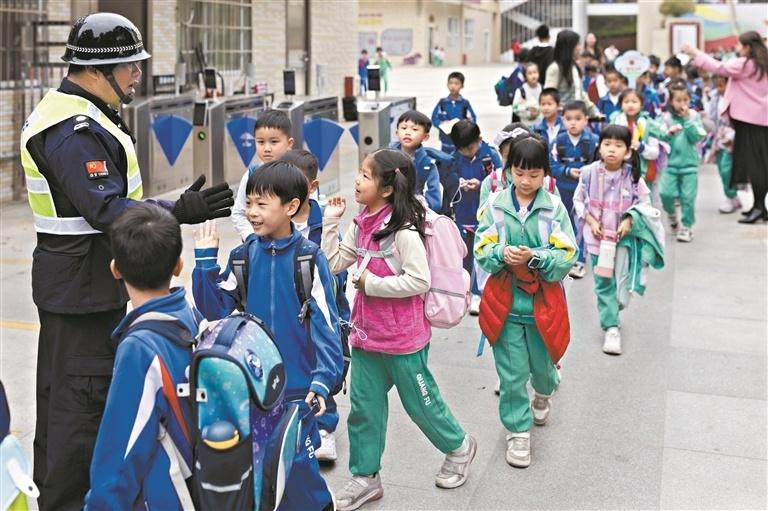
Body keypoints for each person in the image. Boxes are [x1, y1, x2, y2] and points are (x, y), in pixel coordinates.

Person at [19, 13, 233, 509]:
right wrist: (177, 211)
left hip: (83, 285)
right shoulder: (73, 132)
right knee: (78, 419)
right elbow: (107, 209)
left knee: (70, 410)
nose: (138, 74)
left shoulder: (84, 112)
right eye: (129, 66)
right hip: (83, 293)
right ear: (97, 70)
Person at [322, 149, 477, 510]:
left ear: (387, 189)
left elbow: (419, 281)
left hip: (404, 339)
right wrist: (330, 223)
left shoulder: (404, 230)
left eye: (365, 175)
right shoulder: (361, 223)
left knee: (421, 404)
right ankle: (365, 477)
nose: (357, 180)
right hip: (366, 335)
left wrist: (371, 284)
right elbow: (333, 263)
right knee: (363, 408)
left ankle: (459, 447)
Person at [192, 161, 343, 510]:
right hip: (256, 385)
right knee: (262, 465)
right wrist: (205, 263)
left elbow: (327, 325)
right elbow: (214, 309)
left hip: (298, 389)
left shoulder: (309, 259)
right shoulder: (243, 257)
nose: (252, 212)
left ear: (291, 207)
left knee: (299, 467)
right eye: (249, 203)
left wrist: (322, 380)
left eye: (262, 203)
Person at [85, 204, 201, 510]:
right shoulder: (190, 316)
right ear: (178, 266)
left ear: (115, 269)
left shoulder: (138, 349)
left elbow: (119, 454)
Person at [474, 135, 577, 468]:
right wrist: (501, 253)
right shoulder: (495, 205)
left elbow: (567, 254)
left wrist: (536, 257)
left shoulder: (553, 208)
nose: (526, 181)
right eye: (519, 173)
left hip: (542, 304)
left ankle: (545, 391)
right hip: (505, 304)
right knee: (511, 374)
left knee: (543, 370)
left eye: (534, 174)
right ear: (509, 171)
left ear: (545, 173)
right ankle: (518, 431)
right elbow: (481, 248)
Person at [281, 149, 351, 462]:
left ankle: (324, 426)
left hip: (321, 309)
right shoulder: (277, 218)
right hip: (288, 309)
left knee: (321, 363)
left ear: (312, 187)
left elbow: (337, 266)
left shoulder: (323, 220)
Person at [573, 125, 659, 355]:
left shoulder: (633, 176)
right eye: (607, 144)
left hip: (623, 240)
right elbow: (578, 200)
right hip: (597, 241)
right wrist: (591, 221)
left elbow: (645, 203)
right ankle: (611, 327)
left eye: (618, 145)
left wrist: (629, 219)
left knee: (621, 287)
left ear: (628, 150)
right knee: (603, 283)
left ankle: (614, 308)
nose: (612, 149)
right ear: (599, 147)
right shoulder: (588, 172)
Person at [683, 32, 768, 223]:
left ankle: (759, 208)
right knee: (761, 165)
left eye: (739, 45)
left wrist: (695, 52)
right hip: (763, 120)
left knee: (755, 167)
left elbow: (719, 67)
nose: (737, 48)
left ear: (747, 47)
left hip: (749, 121)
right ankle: (760, 206)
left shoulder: (745, 64)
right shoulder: (763, 64)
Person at [450, 120, 503, 314]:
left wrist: (481, 184)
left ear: (479, 140)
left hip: (483, 214)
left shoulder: (490, 156)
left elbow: (499, 182)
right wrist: (458, 182)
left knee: (479, 254)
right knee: (464, 253)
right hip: (462, 212)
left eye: (470, 148)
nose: (466, 153)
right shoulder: (453, 158)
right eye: (462, 150)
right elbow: (448, 180)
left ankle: (477, 293)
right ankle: (464, 290)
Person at [550, 100, 599, 279]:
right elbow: (551, 165)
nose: (573, 123)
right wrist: (567, 171)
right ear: (563, 120)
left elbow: (598, 164)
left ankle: (580, 260)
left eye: (578, 119)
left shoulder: (593, 141)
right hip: (564, 187)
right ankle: (565, 254)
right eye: (569, 119)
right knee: (564, 221)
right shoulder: (558, 141)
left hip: (585, 189)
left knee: (582, 222)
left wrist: (586, 172)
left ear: (586, 120)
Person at [231, 110, 295, 240]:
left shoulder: (297, 175)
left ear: (289, 143)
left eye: (274, 142)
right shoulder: (251, 175)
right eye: (260, 142)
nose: (266, 149)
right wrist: (251, 237)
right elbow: (238, 213)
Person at [657, 83, 706, 242]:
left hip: (689, 165)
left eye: (685, 100)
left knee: (688, 198)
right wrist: (669, 133)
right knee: (665, 194)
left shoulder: (694, 116)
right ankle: (671, 214)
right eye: (678, 100)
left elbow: (697, 137)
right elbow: (660, 136)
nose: (682, 104)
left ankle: (686, 227)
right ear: (671, 101)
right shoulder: (666, 118)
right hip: (670, 165)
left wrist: (687, 121)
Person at [609, 88, 661, 206]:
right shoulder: (615, 122)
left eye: (634, 101)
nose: (630, 105)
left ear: (641, 104)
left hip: (643, 171)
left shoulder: (649, 124)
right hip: (619, 171)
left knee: (644, 206)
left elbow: (654, 152)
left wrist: (640, 147)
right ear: (621, 104)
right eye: (626, 102)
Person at [389, 110, 442, 211]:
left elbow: (435, 202)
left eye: (414, 129)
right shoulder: (386, 157)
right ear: (396, 132)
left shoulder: (428, 165)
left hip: (415, 214)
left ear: (425, 137)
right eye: (404, 128)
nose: (408, 132)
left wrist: (416, 204)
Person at [704, 75, 741, 214]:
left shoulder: (737, 98)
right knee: (721, 167)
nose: (719, 89)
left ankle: (731, 196)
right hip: (718, 138)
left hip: (733, 138)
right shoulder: (715, 99)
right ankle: (733, 197)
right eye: (717, 85)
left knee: (727, 168)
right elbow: (713, 120)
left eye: (722, 85)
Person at [544, 29, 600, 118]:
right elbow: (548, 96)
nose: (580, 48)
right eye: (577, 44)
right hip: (561, 118)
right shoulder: (555, 68)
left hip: (576, 116)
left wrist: (594, 113)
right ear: (569, 47)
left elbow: (581, 93)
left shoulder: (574, 67)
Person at [431, 71, 477, 153]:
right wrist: (441, 124)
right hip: (445, 140)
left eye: (456, 83)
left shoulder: (464, 103)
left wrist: (464, 126)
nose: (453, 86)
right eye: (450, 83)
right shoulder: (442, 103)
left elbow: (472, 119)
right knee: (445, 158)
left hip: (461, 141)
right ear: (447, 84)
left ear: (462, 86)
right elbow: (434, 118)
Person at [511, 62, 543, 127]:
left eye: (535, 72)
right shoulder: (521, 90)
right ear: (525, 76)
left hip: (540, 125)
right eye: (530, 73)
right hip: (525, 125)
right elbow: (515, 108)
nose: (533, 75)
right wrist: (527, 110)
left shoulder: (542, 89)